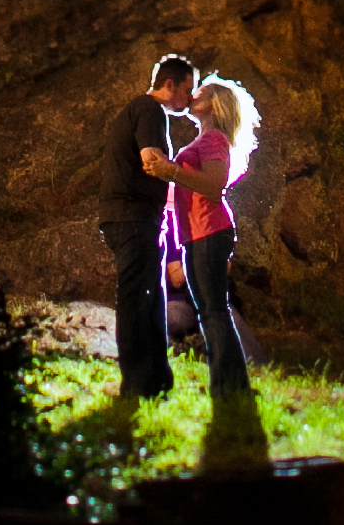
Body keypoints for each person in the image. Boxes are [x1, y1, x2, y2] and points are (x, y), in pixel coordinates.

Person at [97, 46, 199, 402]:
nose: (189, 98)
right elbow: (150, 160)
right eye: (187, 89)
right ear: (168, 84)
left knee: (149, 296)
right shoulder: (149, 109)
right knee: (137, 300)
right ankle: (138, 384)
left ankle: (156, 380)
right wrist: (189, 179)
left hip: (134, 217)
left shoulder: (143, 111)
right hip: (132, 217)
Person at [172, 69, 259, 387]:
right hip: (197, 233)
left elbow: (213, 185)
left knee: (214, 310)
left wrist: (171, 171)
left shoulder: (213, 139)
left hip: (209, 230)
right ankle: (229, 381)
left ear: (213, 103)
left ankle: (231, 383)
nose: (193, 94)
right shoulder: (205, 138)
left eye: (201, 92)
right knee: (210, 309)